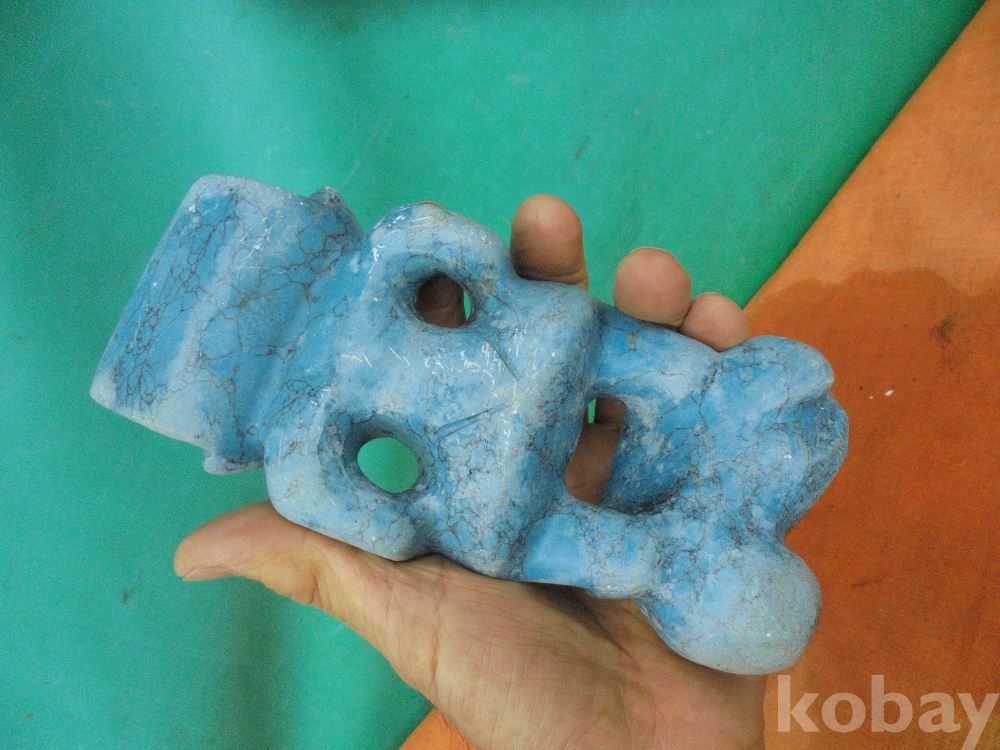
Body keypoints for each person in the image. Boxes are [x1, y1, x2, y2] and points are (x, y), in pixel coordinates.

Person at [174, 195, 764, 750]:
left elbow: (387, 529)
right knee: (626, 356)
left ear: (224, 448)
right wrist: (500, 296)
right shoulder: (382, 255)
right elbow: (457, 246)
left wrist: (426, 511)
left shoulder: (294, 453)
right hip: (537, 346)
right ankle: (718, 415)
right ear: (323, 217)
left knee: (530, 533)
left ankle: (677, 566)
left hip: (486, 486)